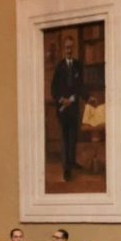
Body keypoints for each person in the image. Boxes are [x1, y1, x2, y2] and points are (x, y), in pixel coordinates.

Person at [51, 36, 84, 180]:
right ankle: (66, 169)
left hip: (74, 108)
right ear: (63, 49)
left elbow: (80, 86)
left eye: (71, 47)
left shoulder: (77, 65)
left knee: (73, 137)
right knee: (65, 139)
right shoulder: (59, 67)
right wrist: (61, 100)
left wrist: (86, 98)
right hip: (63, 109)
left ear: (73, 48)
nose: (69, 50)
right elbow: (54, 89)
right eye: (67, 48)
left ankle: (72, 162)